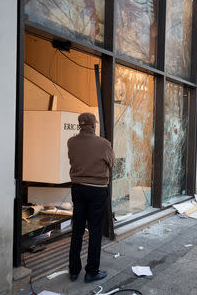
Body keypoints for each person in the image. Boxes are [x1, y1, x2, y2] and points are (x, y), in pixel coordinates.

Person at [67, 113, 115, 283]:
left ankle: (73, 271)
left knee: (77, 230)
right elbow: (111, 162)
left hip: (78, 189)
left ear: (80, 125)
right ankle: (91, 272)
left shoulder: (71, 142)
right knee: (95, 231)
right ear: (93, 125)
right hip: (97, 191)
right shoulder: (103, 144)